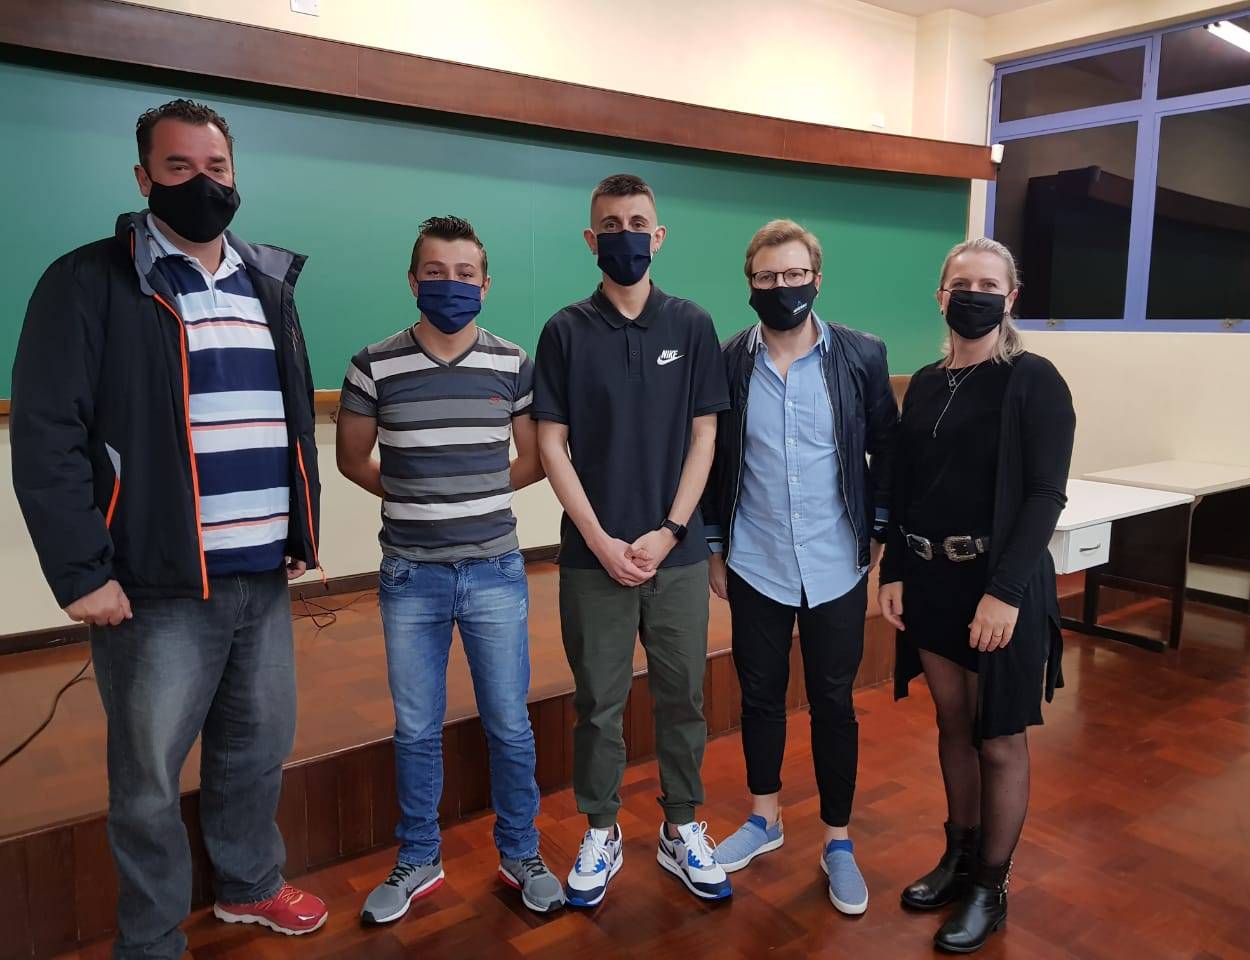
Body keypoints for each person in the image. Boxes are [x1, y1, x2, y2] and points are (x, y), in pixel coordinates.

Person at [11, 99, 326, 959]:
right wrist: (82, 571)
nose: (201, 182)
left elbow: (290, 417)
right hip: (154, 582)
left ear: (235, 173)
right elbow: (47, 434)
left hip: (260, 572)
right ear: (143, 177)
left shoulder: (268, 282)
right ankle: (149, 939)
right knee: (148, 778)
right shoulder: (87, 281)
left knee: (256, 748)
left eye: (215, 168)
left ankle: (249, 886)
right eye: (179, 167)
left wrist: (298, 529)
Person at [337, 215, 564, 920]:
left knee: (509, 723)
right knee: (415, 727)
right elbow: (351, 459)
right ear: (413, 280)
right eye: (436, 272)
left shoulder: (513, 362)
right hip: (412, 576)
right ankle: (418, 858)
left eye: (466, 274)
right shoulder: (373, 364)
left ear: (486, 284)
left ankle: (521, 851)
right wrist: (417, 493)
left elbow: (533, 458)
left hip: (495, 569)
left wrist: (474, 491)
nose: (451, 284)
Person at [533, 173, 731, 906]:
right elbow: (550, 444)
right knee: (599, 703)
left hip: (676, 555)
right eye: (611, 225)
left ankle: (682, 825)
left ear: (659, 236)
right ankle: (601, 828)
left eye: (638, 223)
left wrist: (672, 529)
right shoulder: (564, 331)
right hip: (594, 559)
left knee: (684, 696)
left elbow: (705, 435)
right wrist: (601, 539)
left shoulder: (692, 325)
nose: (626, 236)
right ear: (591, 239)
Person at [878, 237, 1075, 953]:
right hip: (931, 579)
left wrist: (1004, 593)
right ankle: (958, 860)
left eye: (990, 285)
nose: (974, 294)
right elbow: (908, 488)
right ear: (941, 295)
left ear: (1011, 297)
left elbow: (1045, 495)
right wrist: (894, 569)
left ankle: (991, 888)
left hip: (1000, 583)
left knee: (998, 740)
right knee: (952, 723)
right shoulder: (927, 382)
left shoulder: (1032, 379)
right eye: (962, 283)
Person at [702, 220, 897, 915]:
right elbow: (713, 458)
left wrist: (879, 534)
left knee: (833, 701)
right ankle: (764, 818)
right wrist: (715, 547)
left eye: (793, 275)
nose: (780, 287)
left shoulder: (861, 354)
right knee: (759, 696)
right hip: (756, 559)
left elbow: (886, 449)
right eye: (766, 277)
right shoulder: (728, 359)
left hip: (836, 560)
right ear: (749, 283)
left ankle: (838, 840)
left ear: (817, 278)